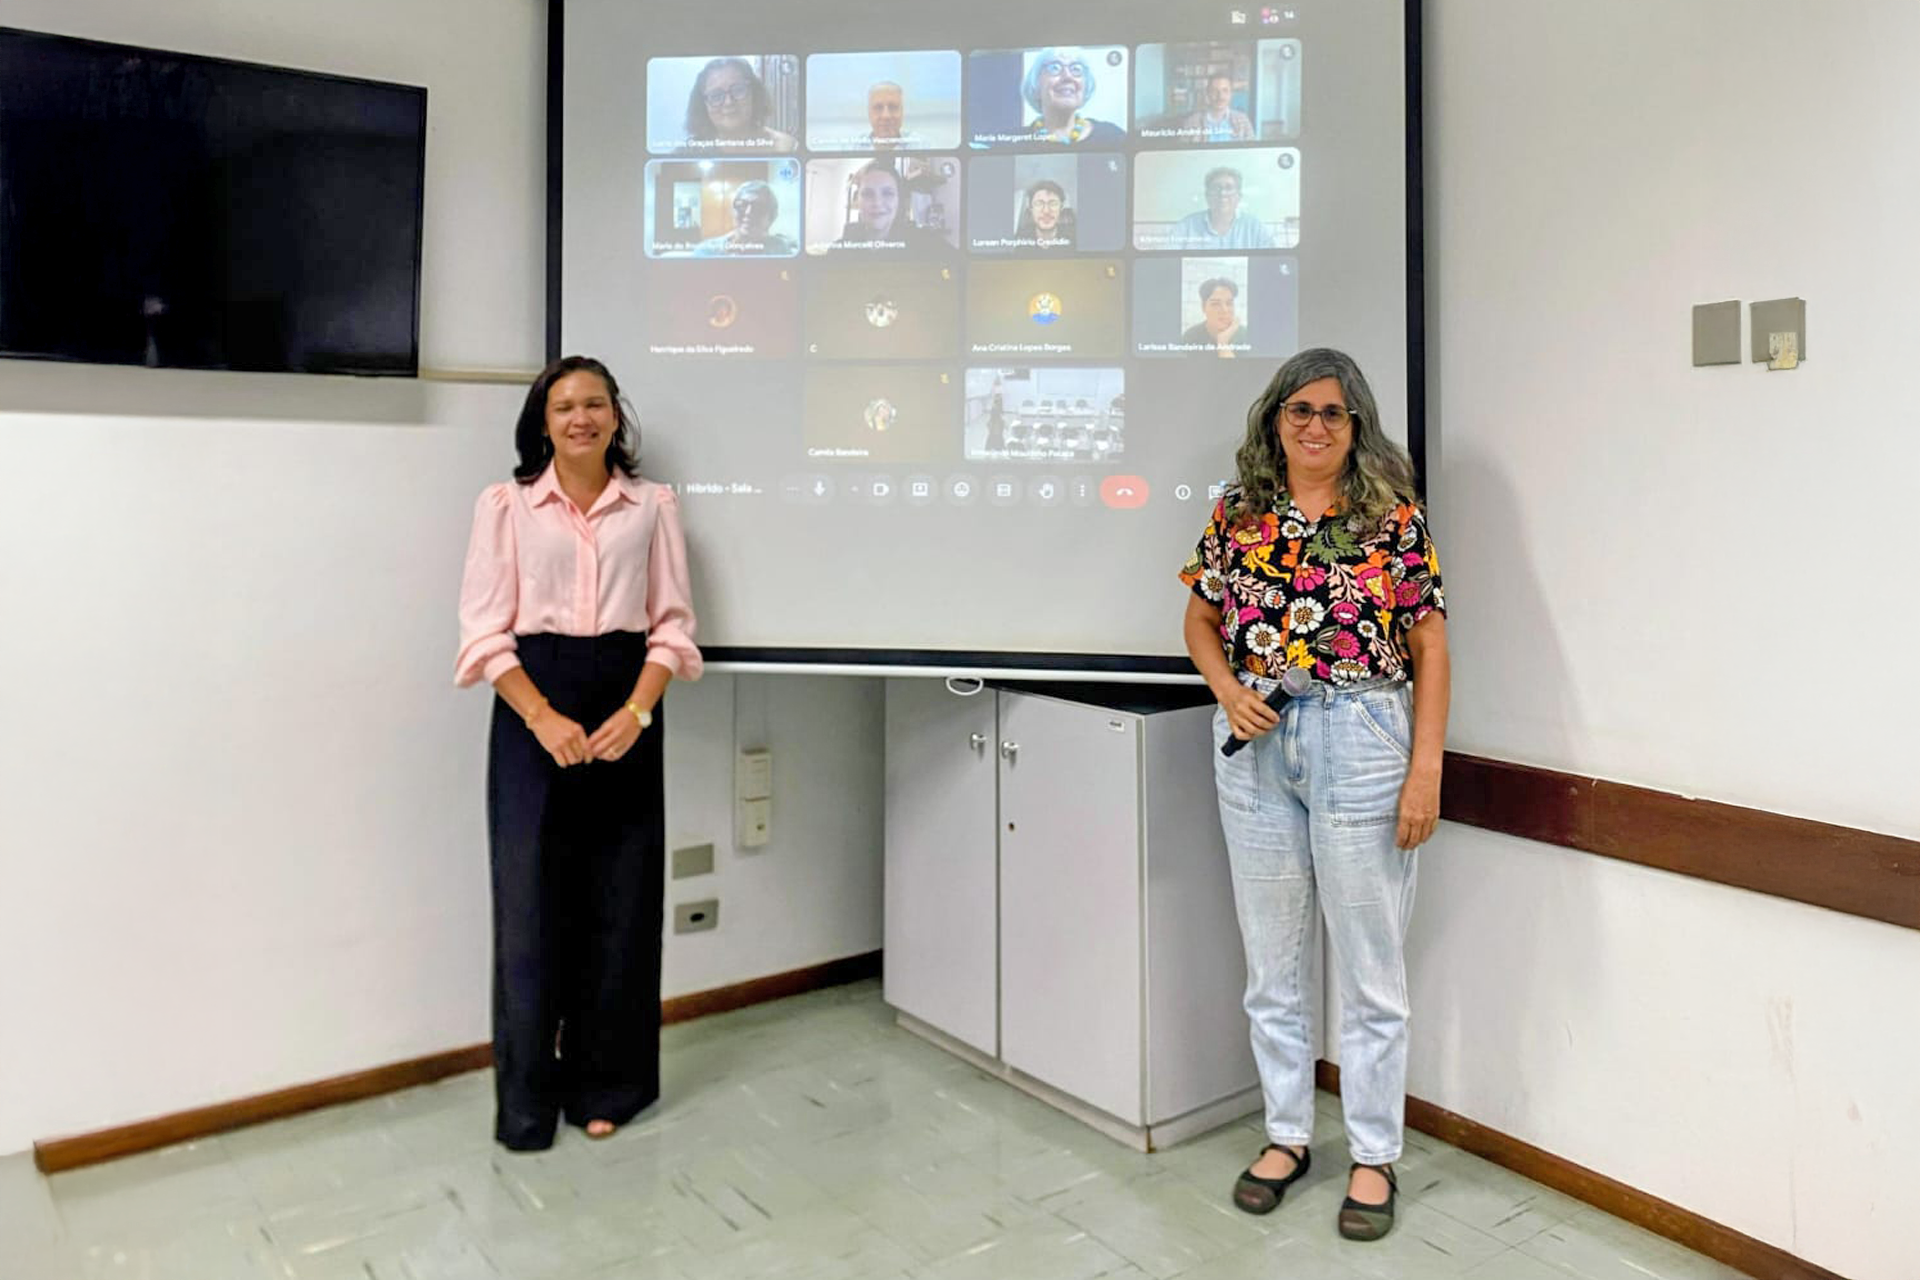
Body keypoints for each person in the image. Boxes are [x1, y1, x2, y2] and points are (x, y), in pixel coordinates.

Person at [1179, 348, 1449, 1243]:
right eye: (1301, 411)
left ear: (1357, 425)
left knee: (1372, 971)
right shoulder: (1240, 511)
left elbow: (1431, 647)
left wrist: (1426, 769)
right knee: (1273, 964)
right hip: (1255, 742)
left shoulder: (1391, 520)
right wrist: (1224, 687)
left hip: (1363, 737)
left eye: (1334, 413)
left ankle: (1373, 1156)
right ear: (1275, 420)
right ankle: (1287, 1137)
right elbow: (1200, 615)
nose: (1316, 427)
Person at [455, 355, 702, 1152]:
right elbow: (485, 633)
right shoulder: (507, 507)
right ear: (543, 422)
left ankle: (611, 1084)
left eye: (595, 404)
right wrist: (542, 717)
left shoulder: (652, 506)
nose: (581, 418)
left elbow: (671, 624)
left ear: (614, 417)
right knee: (530, 906)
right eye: (564, 407)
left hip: (625, 706)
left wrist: (639, 708)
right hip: (536, 708)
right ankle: (528, 1103)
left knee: (622, 904)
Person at [682, 57, 796, 153]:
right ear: (703, 105)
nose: (728, 102)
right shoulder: (686, 153)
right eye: (716, 96)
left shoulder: (786, 147)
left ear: (754, 94)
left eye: (738, 90)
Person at [834, 160, 944, 252]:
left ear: (899, 201)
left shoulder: (925, 243)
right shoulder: (838, 251)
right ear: (858, 200)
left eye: (887, 193)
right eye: (868, 193)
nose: (877, 202)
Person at [1023, 48, 1125, 145]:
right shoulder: (1013, 140)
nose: (1068, 76)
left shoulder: (1114, 136)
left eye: (1076, 68)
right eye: (1055, 68)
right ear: (1036, 85)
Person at [1169, 167, 1276, 250]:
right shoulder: (1185, 226)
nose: (1222, 193)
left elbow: (1272, 259)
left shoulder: (1256, 227)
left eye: (1229, 188)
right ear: (1207, 195)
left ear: (1239, 196)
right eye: (1216, 188)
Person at [692, 180, 796, 256]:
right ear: (733, 211)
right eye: (742, 205)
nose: (748, 213)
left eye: (758, 207)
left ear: (771, 217)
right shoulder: (707, 251)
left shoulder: (779, 249)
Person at [1181, 277, 1251, 354]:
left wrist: (1223, 344)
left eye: (1229, 303)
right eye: (1216, 304)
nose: (1225, 310)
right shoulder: (1190, 336)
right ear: (1203, 307)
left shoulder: (1246, 336)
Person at [1181, 73, 1255, 141]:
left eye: (1225, 90)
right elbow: (1183, 153)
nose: (1220, 96)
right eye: (1214, 91)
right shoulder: (1191, 122)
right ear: (1207, 93)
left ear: (1231, 94)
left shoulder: (1243, 120)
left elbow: (1251, 152)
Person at [1013, 179, 1076, 248]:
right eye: (1039, 203)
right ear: (1031, 208)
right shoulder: (1018, 240)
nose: (1046, 211)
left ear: (1061, 208)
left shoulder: (1074, 239)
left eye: (1053, 203)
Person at [860, 81, 917, 147]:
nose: (886, 116)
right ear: (869, 112)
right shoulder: (851, 148)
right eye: (878, 107)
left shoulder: (923, 148)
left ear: (902, 111)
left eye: (893, 107)